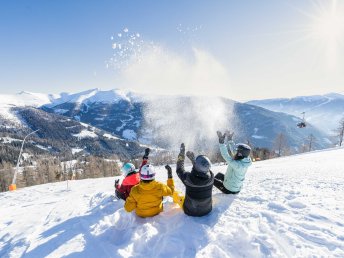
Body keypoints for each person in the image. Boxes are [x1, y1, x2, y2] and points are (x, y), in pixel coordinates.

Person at [174, 143, 214, 217]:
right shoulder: (211, 177)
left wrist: (182, 153)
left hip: (190, 211)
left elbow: (179, 169)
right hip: (207, 210)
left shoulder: (188, 179)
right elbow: (200, 170)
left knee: (176, 195)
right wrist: (193, 160)